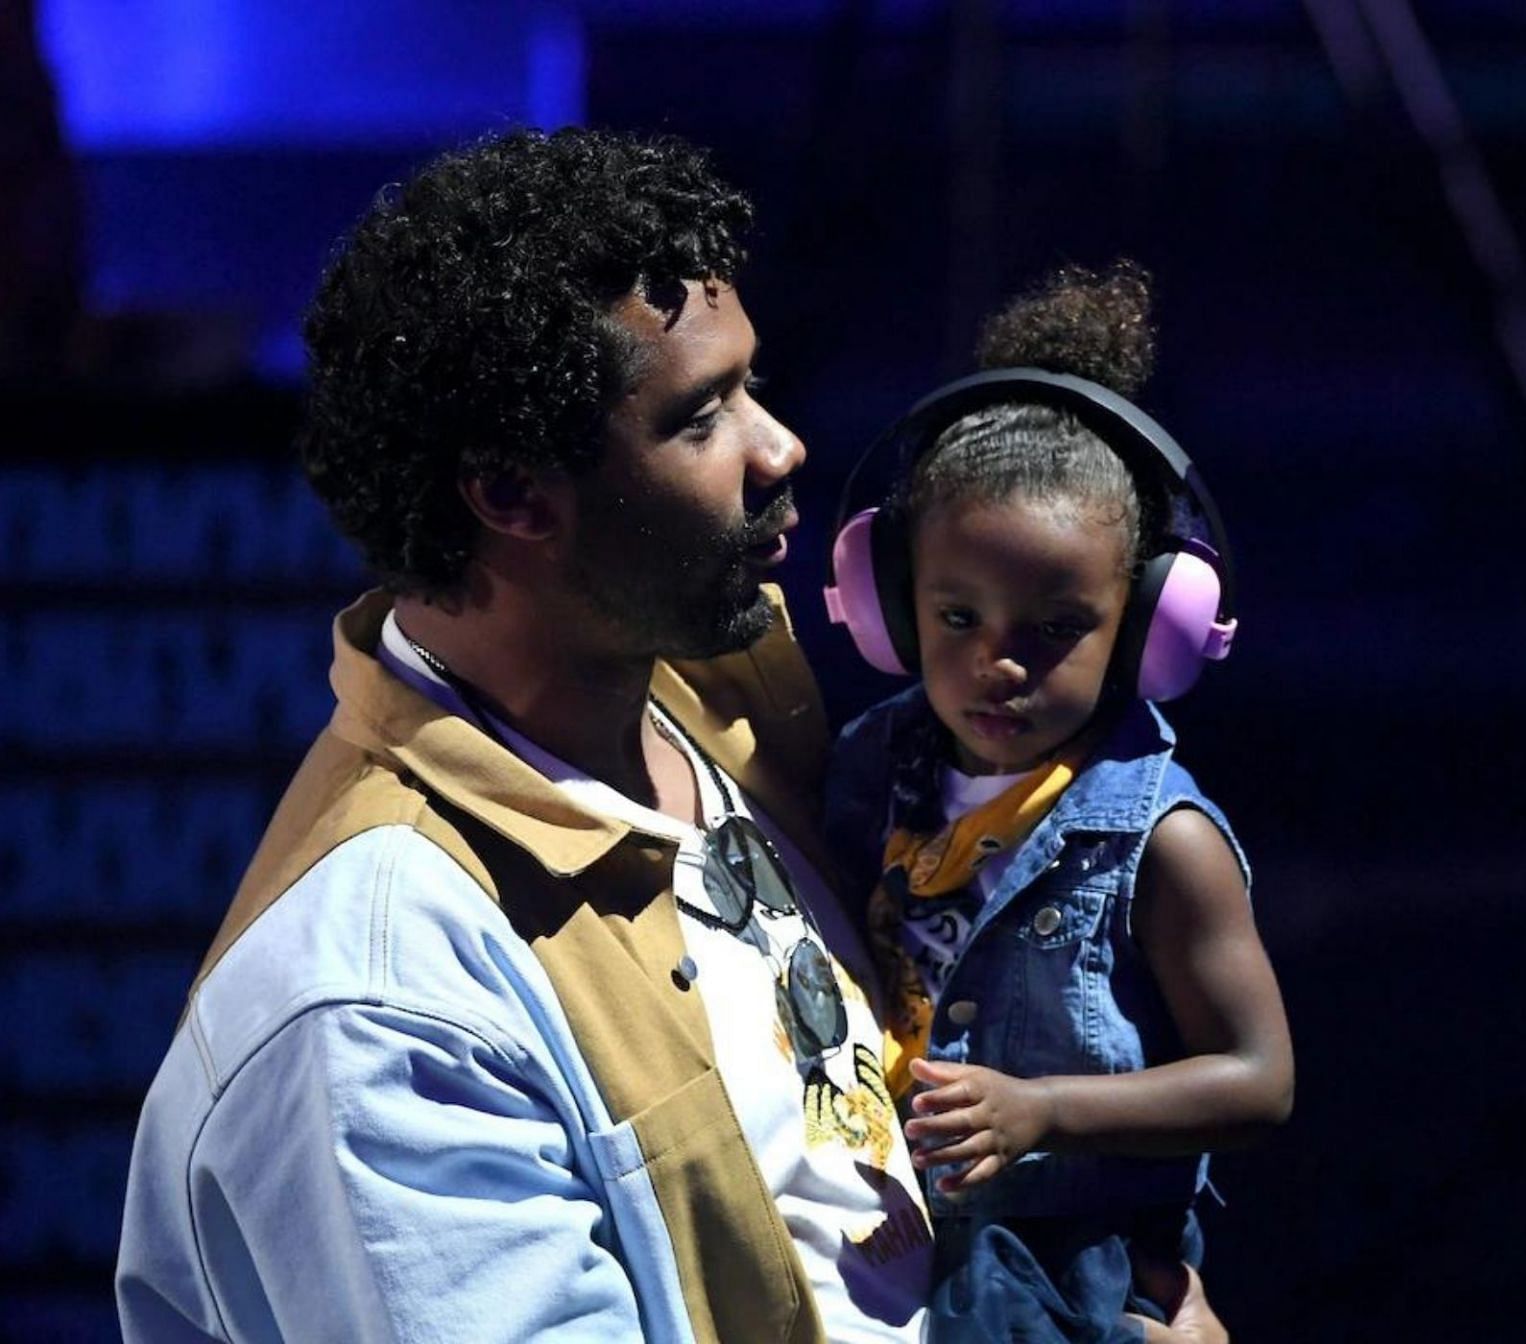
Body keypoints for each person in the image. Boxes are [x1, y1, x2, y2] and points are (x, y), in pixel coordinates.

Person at [115, 129, 1224, 1344]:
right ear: (513, 496)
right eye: (702, 417)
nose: (781, 446)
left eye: (752, 384)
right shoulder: (379, 1009)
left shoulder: (726, 709)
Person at [823, 264, 1295, 1341]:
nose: (998, 664)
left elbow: (1260, 1080)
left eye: (1054, 628)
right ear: (891, 605)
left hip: (1070, 1280)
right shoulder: (866, 769)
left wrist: (1042, 1111)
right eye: (956, 616)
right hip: (893, 1234)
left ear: (1147, 628)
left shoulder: (1160, 842)